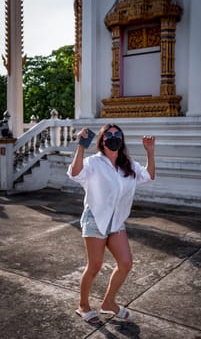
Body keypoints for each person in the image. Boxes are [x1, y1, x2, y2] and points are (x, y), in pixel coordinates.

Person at [67, 123, 155, 324]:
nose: (113, 137)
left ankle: (108, 303)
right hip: (95, 218)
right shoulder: (93, 162)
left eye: (118, 134)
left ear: (122, 140)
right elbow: (74, 174)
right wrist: (81, 146)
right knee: (95, 266)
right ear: (102, 140)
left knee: (125, 264)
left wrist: (150, 152)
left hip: (116, 222)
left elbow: (149, 176)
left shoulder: (128, 164)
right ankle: (83, 305)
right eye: (109, 134)